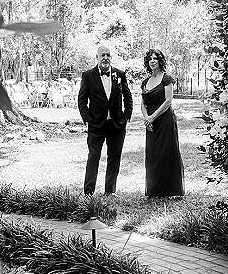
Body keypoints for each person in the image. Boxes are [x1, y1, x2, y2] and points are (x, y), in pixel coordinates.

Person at [78, 45, 133, 195]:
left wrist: (127, 115)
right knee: (93, 157)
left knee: (114, 157)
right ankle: (89, 192)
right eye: (102, 55)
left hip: (117, 124)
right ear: (97, 57)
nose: (105, 58)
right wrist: (87, 119)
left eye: (108, 55)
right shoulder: (88, 75)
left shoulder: (120, 74)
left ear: (111, 58)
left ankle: (110, 191)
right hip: (96, 124)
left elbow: (128, 96)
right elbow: (82, 100)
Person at [140, 48, 184, 198]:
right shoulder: (145, 81)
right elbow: (143, 103)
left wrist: (153, 117)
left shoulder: (166, 79)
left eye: (155, 58)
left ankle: (171, 190)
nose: (152, 61)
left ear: (160, 61)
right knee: (153, 154)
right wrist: (147, 118)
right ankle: (154, 190)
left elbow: (168, 101)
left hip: (164, 119)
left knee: (166, 152)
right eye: (150, 59)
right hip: (150, 123)